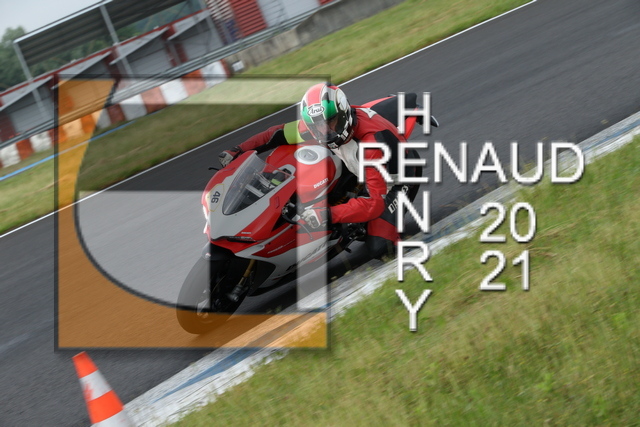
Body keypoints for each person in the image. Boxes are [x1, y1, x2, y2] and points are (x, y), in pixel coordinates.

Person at [218, 82, 413, 258]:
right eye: (318, 125)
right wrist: (239, 149)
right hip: (357, 164)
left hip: (396, 180)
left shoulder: (371, 145)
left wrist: (326, 214)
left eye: (330, 122)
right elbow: (274, 134)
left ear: (344, 113)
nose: (325, 131)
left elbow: (374, 204)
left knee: (379, 248)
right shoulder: (316, 125)